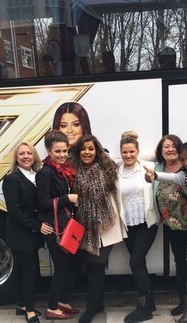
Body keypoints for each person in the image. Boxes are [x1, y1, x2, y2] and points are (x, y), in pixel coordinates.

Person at [72, 134, 127, 323]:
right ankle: (97, 303)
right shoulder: (73, 171)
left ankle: (92, 307)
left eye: (91, 148)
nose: (87, 152)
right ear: (78, 151)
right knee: (91, 266)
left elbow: (134, 157)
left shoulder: (107, 167)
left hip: (107, 226)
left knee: (96, 265)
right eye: (83, 149)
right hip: (85, 226)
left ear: (97, 150)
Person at [2, 141, 53, 323]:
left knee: (24, 270)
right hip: (20, 232)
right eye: (22, 154)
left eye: (29, 153)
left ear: (34, 156)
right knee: (29, 271)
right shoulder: (11, 179)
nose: (26, 156)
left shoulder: (37, 176)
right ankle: (30, 311)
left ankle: (21, 304)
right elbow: (14, 212)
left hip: (31, 232)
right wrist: (37, 226)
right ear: (16, 158)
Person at [36, 130, 79, 320]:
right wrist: (67, 198)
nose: (62, 155)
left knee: (70, 266)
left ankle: (61, 300)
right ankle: (52, 307)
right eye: (58, 152)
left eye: (65, 151)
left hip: (64, 225)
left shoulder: (61, 170)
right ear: (48, 151)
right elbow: (43, 203)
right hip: (54, 228)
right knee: (62, 267)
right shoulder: (45, 172)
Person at [116, 131, 159, 323]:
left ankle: (143, 308)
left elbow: (158, 151)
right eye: (125, 152)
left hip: (146, 224)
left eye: (132, 152)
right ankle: (150, 302)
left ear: (137, 152)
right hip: (128, 225)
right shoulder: (117, 170)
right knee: (139, 263)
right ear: (121, 153)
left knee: (134, 262)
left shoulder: (148, 167)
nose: (128, 155)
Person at [145, 135, 186, 318]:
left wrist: (155, 176)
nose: (170, 149)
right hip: (172, 226)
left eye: (173, 146)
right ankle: (183, 302)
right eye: (165, 146)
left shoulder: (184, 171)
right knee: (180, 264)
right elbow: (139, 156)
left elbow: (176, 179)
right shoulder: (159, 167)